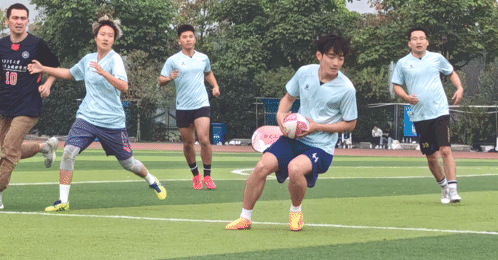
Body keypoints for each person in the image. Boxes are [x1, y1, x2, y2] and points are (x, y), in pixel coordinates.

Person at [27, 16, 166, 210]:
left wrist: (104, 73)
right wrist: (43, 68)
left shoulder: (115, 60)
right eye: (103, 34)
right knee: (68, 152)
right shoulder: (88, 59)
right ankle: (63, 201)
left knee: (128, 164)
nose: (106, 38)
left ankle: (151, 179)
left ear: (114, 40)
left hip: (112, 121)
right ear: (95, 37)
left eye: (110, 35)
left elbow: (124, 87)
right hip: (87, 117)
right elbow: (69, 73)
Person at [225, 34, 357, 232]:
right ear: (319, 55)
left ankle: (296, 211)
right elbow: (288, 98)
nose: (336, 63)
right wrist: (280, 115)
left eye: (340, 58)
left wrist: (317, 127)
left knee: (295, 168)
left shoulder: (346, 89)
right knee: (261, 167)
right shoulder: (304, 72)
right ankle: (245, 218)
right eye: (331, 57)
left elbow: (350, 124)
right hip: (293, 138)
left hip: (321, 146)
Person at [0, 3, 60, 211]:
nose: (19, 22)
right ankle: (44, 147)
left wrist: (48, 84)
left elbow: (55, 66)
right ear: (7, 21)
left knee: (9, 151)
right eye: (15, 18)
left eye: (23, 18)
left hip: (29, 106)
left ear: (28, 21)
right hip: (6, 106)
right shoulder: (0, 46)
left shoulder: (36, 44)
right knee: (9, 149)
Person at [391, 26, 464, 204]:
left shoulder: (436, 58)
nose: (419, 41)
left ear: (427, 42)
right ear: (409, 43)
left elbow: (451, 72)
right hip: (420, 115)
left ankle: (453, 190)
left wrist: (459, 87)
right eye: (415, 39)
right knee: (431, 157)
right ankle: (444, 187)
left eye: (422, 38)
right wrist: (406, 97)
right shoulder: (403, 63)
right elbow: (396, 85)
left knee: (445, 150)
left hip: (440, 111)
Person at [158, 24, 221, 190]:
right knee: (187, 143)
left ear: (195, 39)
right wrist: (169, 78)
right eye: (184, 37)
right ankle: (195, 175)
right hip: (183, 107)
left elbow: (208, 72)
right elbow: (160, 80)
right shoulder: (172, 60)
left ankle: (207, 176)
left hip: (201, 104)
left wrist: (215, 86)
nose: (188, 40)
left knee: (204, 139)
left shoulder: (203, 58)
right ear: (179, 41)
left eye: (190, 36)